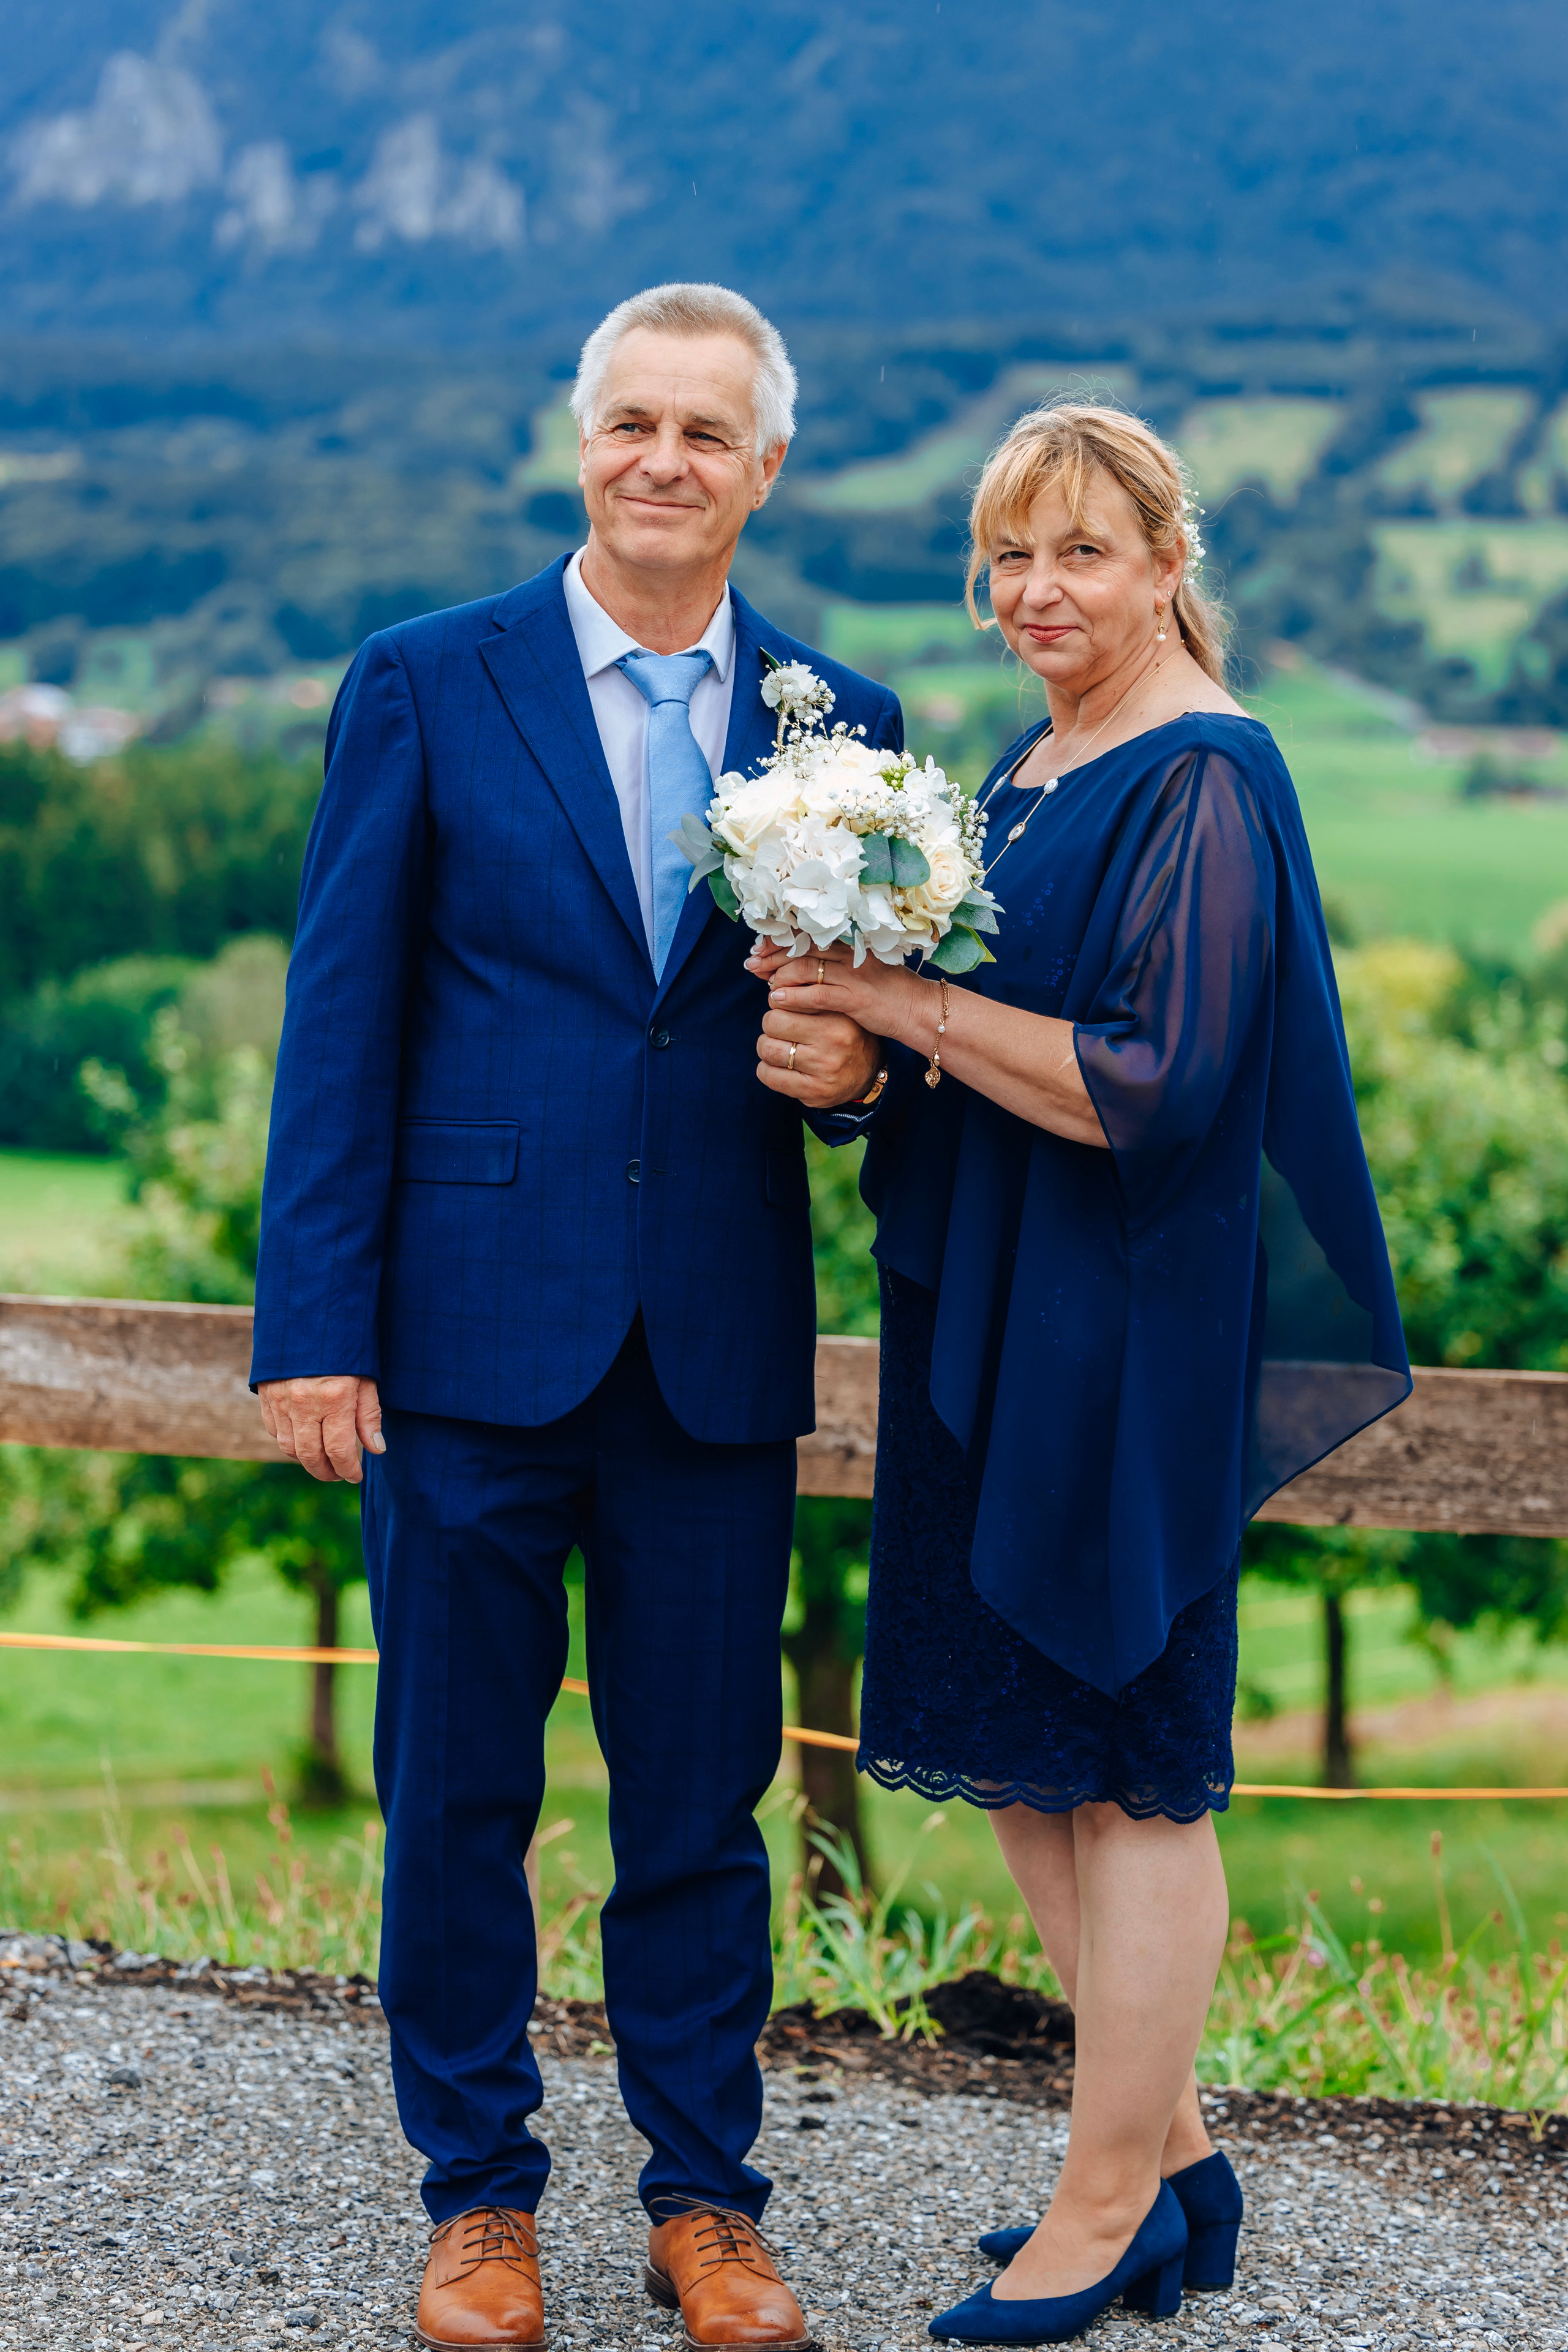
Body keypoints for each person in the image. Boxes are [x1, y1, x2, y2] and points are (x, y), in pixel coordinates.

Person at [250, 282, 902, 2352]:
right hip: (460, 1341)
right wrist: (313, 1323)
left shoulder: (840, 720)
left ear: (765, 467)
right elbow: (341, 1017)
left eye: (706, 432)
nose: (662, 460)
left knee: (699, 1807)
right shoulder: (425, 680)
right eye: (632, 421)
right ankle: (479, 2203)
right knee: (456, 1793)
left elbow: (862, 1033)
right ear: (581, 439)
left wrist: (859, 1076)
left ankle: (708, 2205)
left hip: (712, 1343)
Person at [755, 401, 1409, 2346]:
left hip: (1124, 1343)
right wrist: (857, 1061)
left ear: (1167, 563)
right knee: (1028, 1761)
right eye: (1011, 558)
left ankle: (1106, 2198)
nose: (1040, 591)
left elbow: (1152, 1086)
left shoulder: (1207, 771)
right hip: (989, 1319)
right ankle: (1176, 2159)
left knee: (1131, 1780)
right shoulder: (1036, 767)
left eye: (1083, 554)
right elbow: (973, 1060)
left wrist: (895, 999)